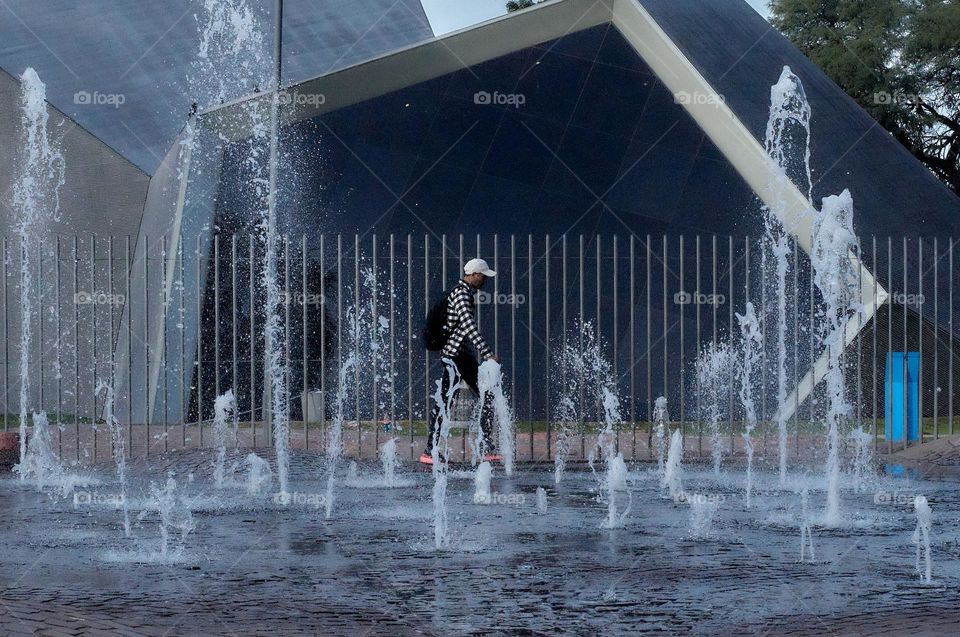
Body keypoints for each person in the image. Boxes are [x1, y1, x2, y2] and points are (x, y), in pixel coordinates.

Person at [422, 258, 500, 465]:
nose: (484, 280)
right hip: (457, 356)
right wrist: (488, 353)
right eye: (483, 276)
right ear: (474, 275)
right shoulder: (462, 294)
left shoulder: (460, 293)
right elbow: (469, 326)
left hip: (455, 355)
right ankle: (484, 447)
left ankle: (432, 449)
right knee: (485, 395)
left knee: (446, 402)